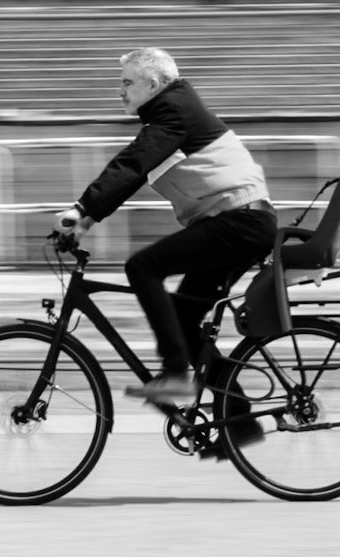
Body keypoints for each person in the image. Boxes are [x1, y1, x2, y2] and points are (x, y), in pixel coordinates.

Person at [58, 47, 276, 432]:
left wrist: (80, 207)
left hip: (239, 222)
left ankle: (175, 374)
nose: (119, 91)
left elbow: (132, 162)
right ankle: (240, 425)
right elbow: (134, 172)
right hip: (240, 223)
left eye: (127, 82)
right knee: (183, 319)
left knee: (141, 267)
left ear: (154, 84)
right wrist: (87, 220)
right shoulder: (170, 114)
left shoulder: (172, 111)